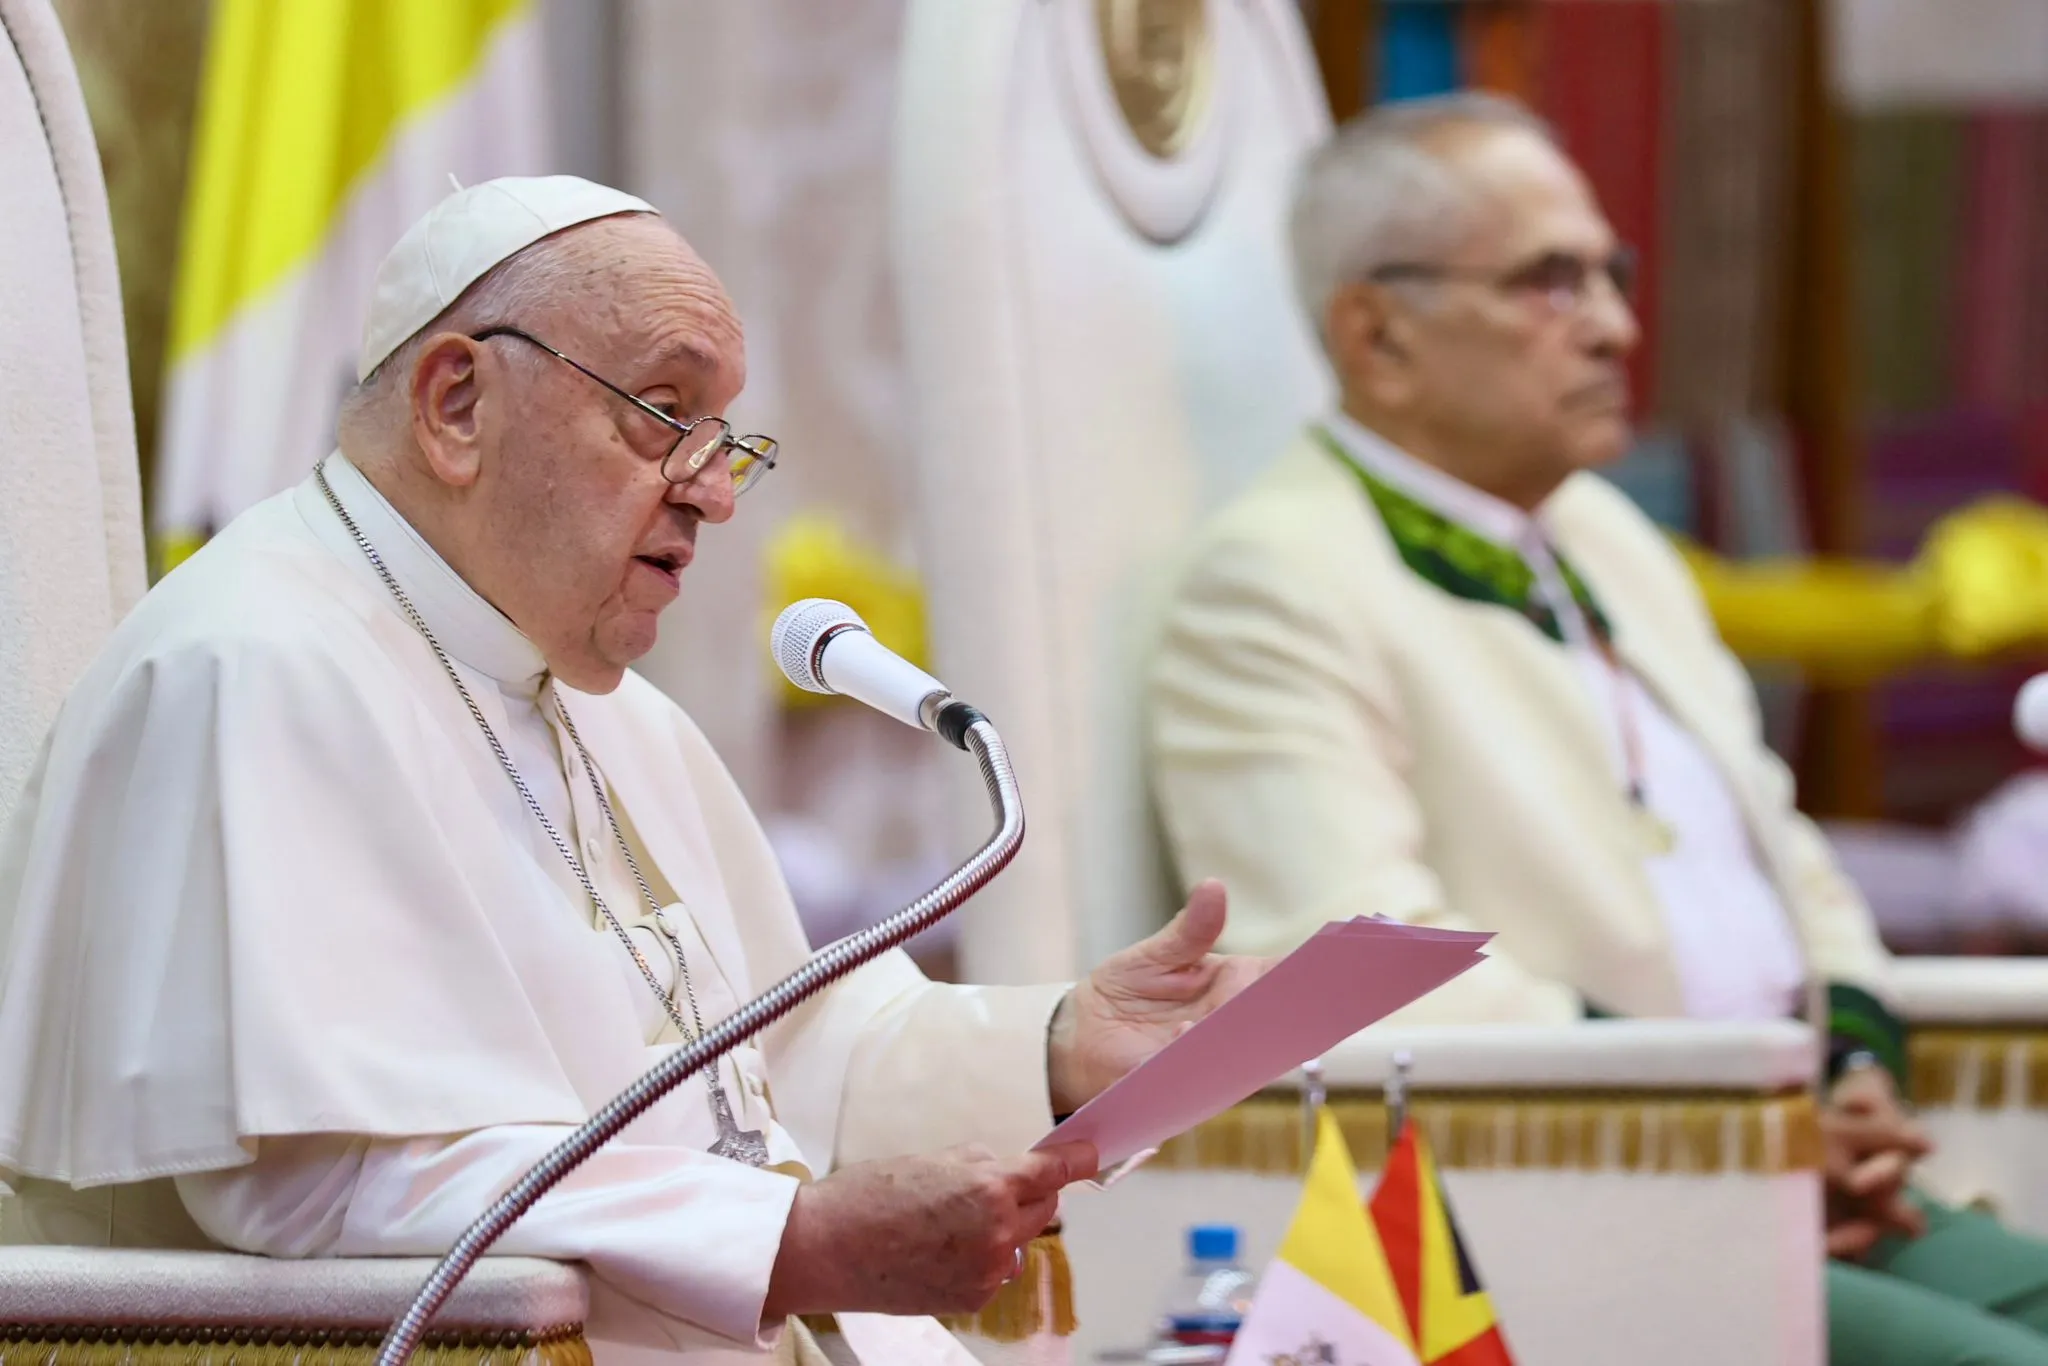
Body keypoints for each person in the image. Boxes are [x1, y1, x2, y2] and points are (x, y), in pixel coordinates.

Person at [0, 176, 1268, 1366]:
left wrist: (1057, 1044)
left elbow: (784, 1060)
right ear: (455, 405)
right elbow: (314, 1180)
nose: (716, 493)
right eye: (666, 414)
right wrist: (792, 1243)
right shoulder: (251, 670)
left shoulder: (606, 708)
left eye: (727, 437)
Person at [1143, 93, 2048, 1366]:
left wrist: (1845, 1074)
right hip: (1564, 1216)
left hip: (1785, 1165)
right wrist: (1739, 1109)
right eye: (1548, 284)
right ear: (1377, 332)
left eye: (1608, 277)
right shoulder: (1273, 580)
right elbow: (1350, 967)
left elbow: (1785, 855)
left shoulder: (1604, 535)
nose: (1617, 328)